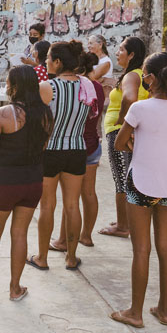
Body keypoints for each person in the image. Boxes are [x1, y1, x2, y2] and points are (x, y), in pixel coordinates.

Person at [110, 52, 167, 328]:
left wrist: (135, 145)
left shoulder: (139, 109)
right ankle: (164, 311)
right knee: (166, 247)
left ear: (152, 78)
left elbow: (119, 144)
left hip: (140, 185)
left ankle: (135, 312)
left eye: (144, 74)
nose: (142, 78)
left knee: (141, 250)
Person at [0, 66, 53, 301]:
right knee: (20, 233)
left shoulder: (6, 114)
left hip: (6, 181)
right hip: (33, 180)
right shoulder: (46, 114)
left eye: (8, 82)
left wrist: (2, 151)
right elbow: (43, 147)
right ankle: (15, 287)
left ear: (15, 86)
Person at [27, 41, 95, 272]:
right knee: (72, 206)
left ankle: (42, 257)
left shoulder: (47, 87)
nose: (46, 62)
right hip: (77, 149)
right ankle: (71, 258)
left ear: (57, 62)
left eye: (48, 58)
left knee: (47, 205)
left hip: (50, 151)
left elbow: (38, 123)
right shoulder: (87, 86)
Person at [51, 52, 104, 250]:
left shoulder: (73, 86)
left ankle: (63, 240)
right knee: (89, 193)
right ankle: (87, 236)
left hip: (73, 144)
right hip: (92, 144)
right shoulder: (96, 87)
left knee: (69, 200)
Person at [99, 37, 149, 238]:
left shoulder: (132, 76)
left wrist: (121, 121)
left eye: (121, 49)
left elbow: (130, 99)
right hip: (127, 131)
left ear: (131, 55)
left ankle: (122, 226)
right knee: (127, 177)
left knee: (121, 179)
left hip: (119, 132)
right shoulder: (138, 75)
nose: (117, 52)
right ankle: (125, 220)